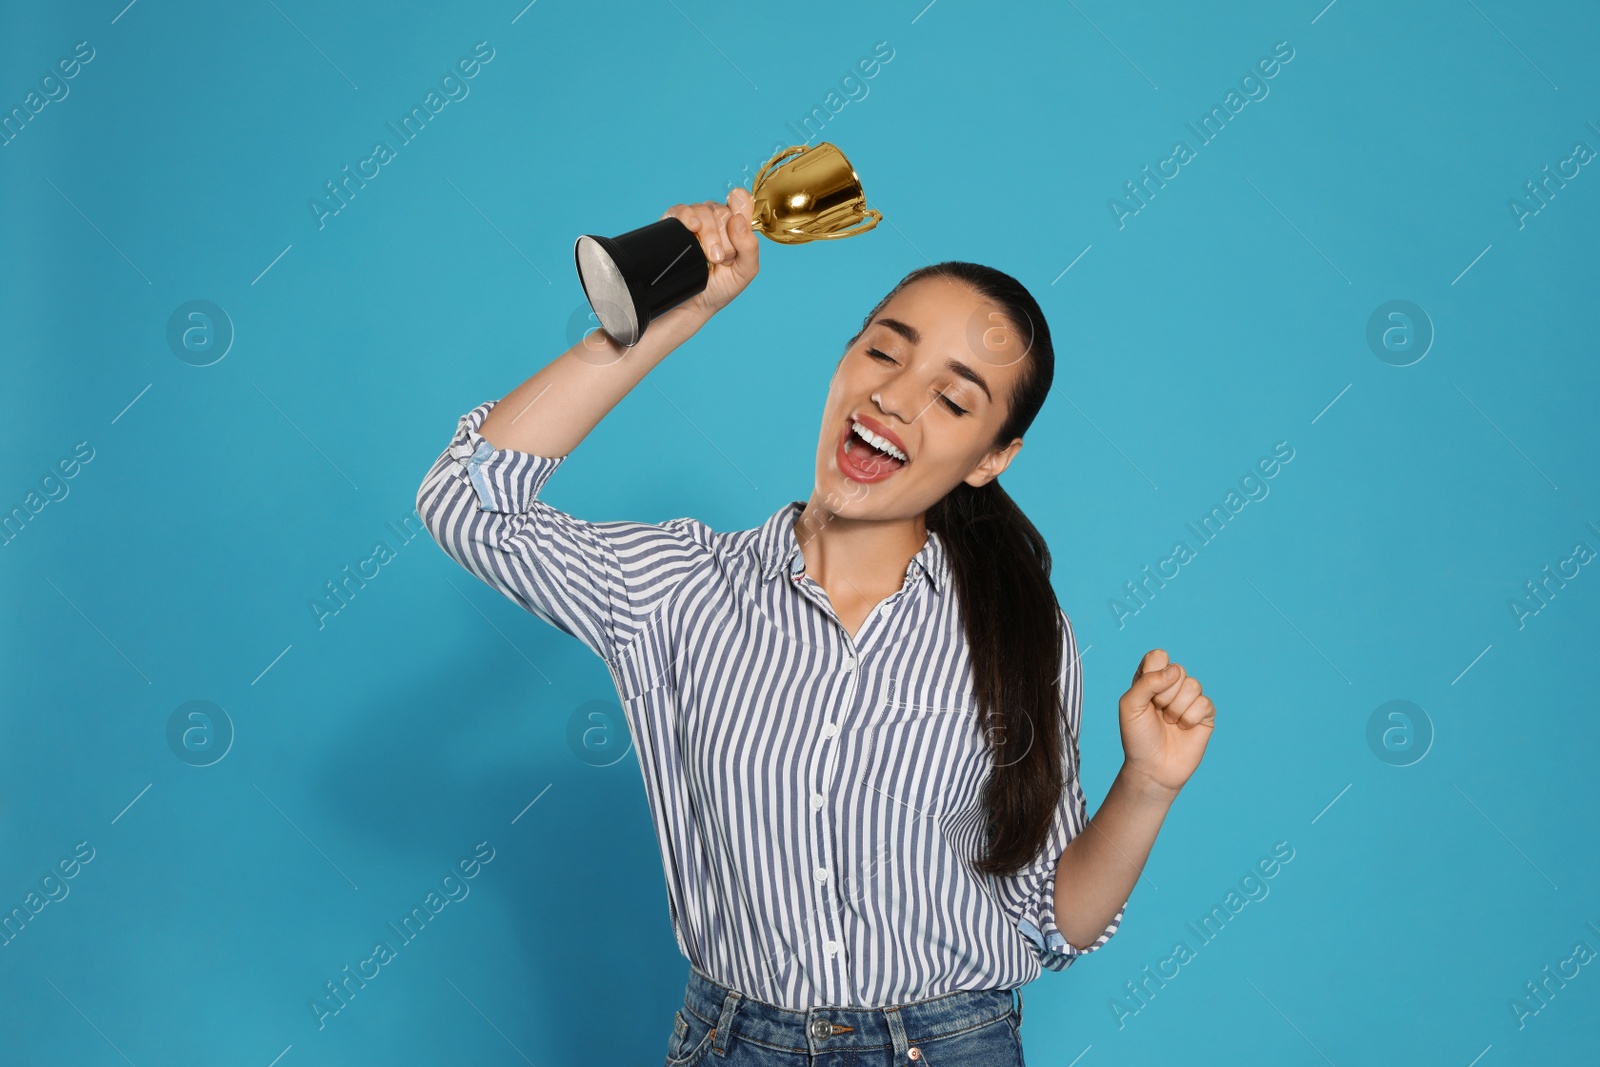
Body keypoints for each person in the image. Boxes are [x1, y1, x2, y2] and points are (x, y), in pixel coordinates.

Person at [416, 186, 1216, 1066]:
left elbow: (1050, 920)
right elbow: (469, 500)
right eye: (883, 352)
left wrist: (1148, 783)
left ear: (992, 459)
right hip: (735, 1043)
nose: (897, 401)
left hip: (951, 1042)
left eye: (954, 403)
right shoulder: (679, 588)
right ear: (842, 361)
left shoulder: (1022, 629)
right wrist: (656, 321)